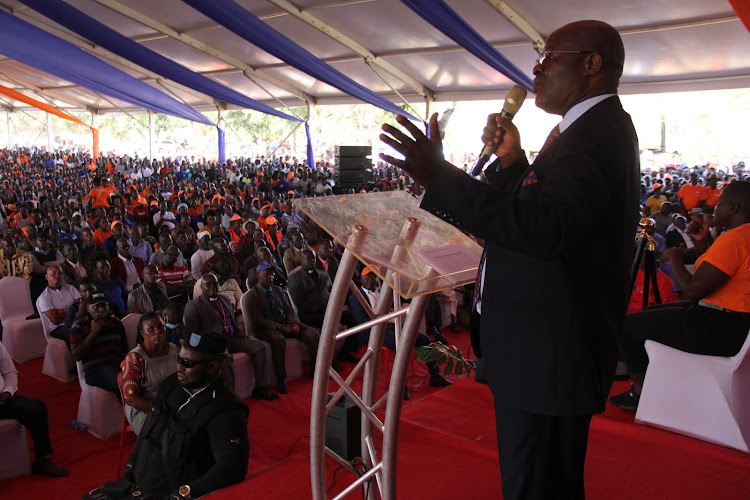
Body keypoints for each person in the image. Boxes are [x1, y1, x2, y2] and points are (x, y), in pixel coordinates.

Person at [379, 20, 638, 500]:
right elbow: (547, 215)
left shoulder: (594, 135)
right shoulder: (586, 130)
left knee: (536, 485)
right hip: (543, 350)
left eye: (549, 57)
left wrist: (440, 175)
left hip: (548, 356)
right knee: (546, 481)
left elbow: (542, 230)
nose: (536, 68)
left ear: (591, 64)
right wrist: (513, 164)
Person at [611, 181, 750, 410]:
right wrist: (702, 244)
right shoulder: (741, 237)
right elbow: (721, 273)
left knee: (627, 327)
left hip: (719, 326)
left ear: (734, 208)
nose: (715, 206)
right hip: (734, 324)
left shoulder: (735, 239)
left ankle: (641, 392)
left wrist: (674, 255)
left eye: (721, 202)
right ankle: (650, 377)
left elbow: (692, 289)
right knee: (648, 314)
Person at [121, 331, 249, 499]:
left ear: (213, 366)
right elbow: (148, 429)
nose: (179, 367)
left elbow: (232, 466)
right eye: (179, 360)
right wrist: (130, 469)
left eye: (187, 363)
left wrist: (185, 493)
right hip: (140, 486)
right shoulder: (172, 384)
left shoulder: (224, 408)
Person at [184, 273, 280, 400]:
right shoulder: (194, 306)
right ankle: (230, 398)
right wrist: (206, 348)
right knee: (225, 360)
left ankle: (260, 388)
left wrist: (239, 331)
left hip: (232, 338)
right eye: (208, 284)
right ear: (202, 287)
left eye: (215, 284)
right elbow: (193, 333)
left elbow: (232, 319)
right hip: (214, 344)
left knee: (259, 348)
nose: (213, 287)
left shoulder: (224, 299)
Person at [120, 312, 179, 435]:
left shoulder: (173, 350)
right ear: (142, 333)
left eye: (161, 327)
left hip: (172, 402)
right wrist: (161, 410)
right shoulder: (135, 358)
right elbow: (132, 400)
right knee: (173, 433)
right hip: (145, 408)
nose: (157, 332)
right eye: (150, 329)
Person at [69, 292, 128, 396]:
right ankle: (131, 411)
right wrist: (93, 333)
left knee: (137, 378)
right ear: (88, 308)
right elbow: (76, 355)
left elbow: (124, 349)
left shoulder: (116, 323)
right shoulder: (79, 325)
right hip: (95, 369)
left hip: (117, 363)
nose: (101, 310)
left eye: (104, 306)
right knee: (122, 382)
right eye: (96, 307)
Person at [37, 265, 80, 343]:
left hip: (76, 323)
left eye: (60, 273)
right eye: (53, 273)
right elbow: (55, 320)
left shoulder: (71, 289)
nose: (57, 276)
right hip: (58, 328)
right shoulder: (44, 297)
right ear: (47, 277)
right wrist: (72, 312)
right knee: (77, 332)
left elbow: (80, 308)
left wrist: (61, 311)